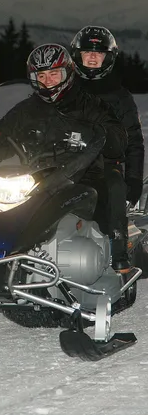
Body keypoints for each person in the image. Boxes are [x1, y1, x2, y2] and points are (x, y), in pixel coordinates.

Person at [0, 43, 130, 272]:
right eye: (42, 75)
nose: (48, 81)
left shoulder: (90, 106)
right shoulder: (25, 110)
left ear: (67, 73)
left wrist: (107, 137)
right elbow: (3, 136)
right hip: (37, 178)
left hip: (84, 174)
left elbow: (117, 138)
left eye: (54, 74)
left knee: (114, 184)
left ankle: (118, 250)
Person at [70, 26, 145, 271]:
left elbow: (133, 140)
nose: (92, 57)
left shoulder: (120, 96)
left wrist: (132, 180)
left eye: (99, 53)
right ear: (77, 56)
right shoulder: (64, 90)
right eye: (87, 52)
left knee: (113, 187)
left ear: (109, 58)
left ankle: (118, 252)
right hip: (64, 163)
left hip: (105, 165)